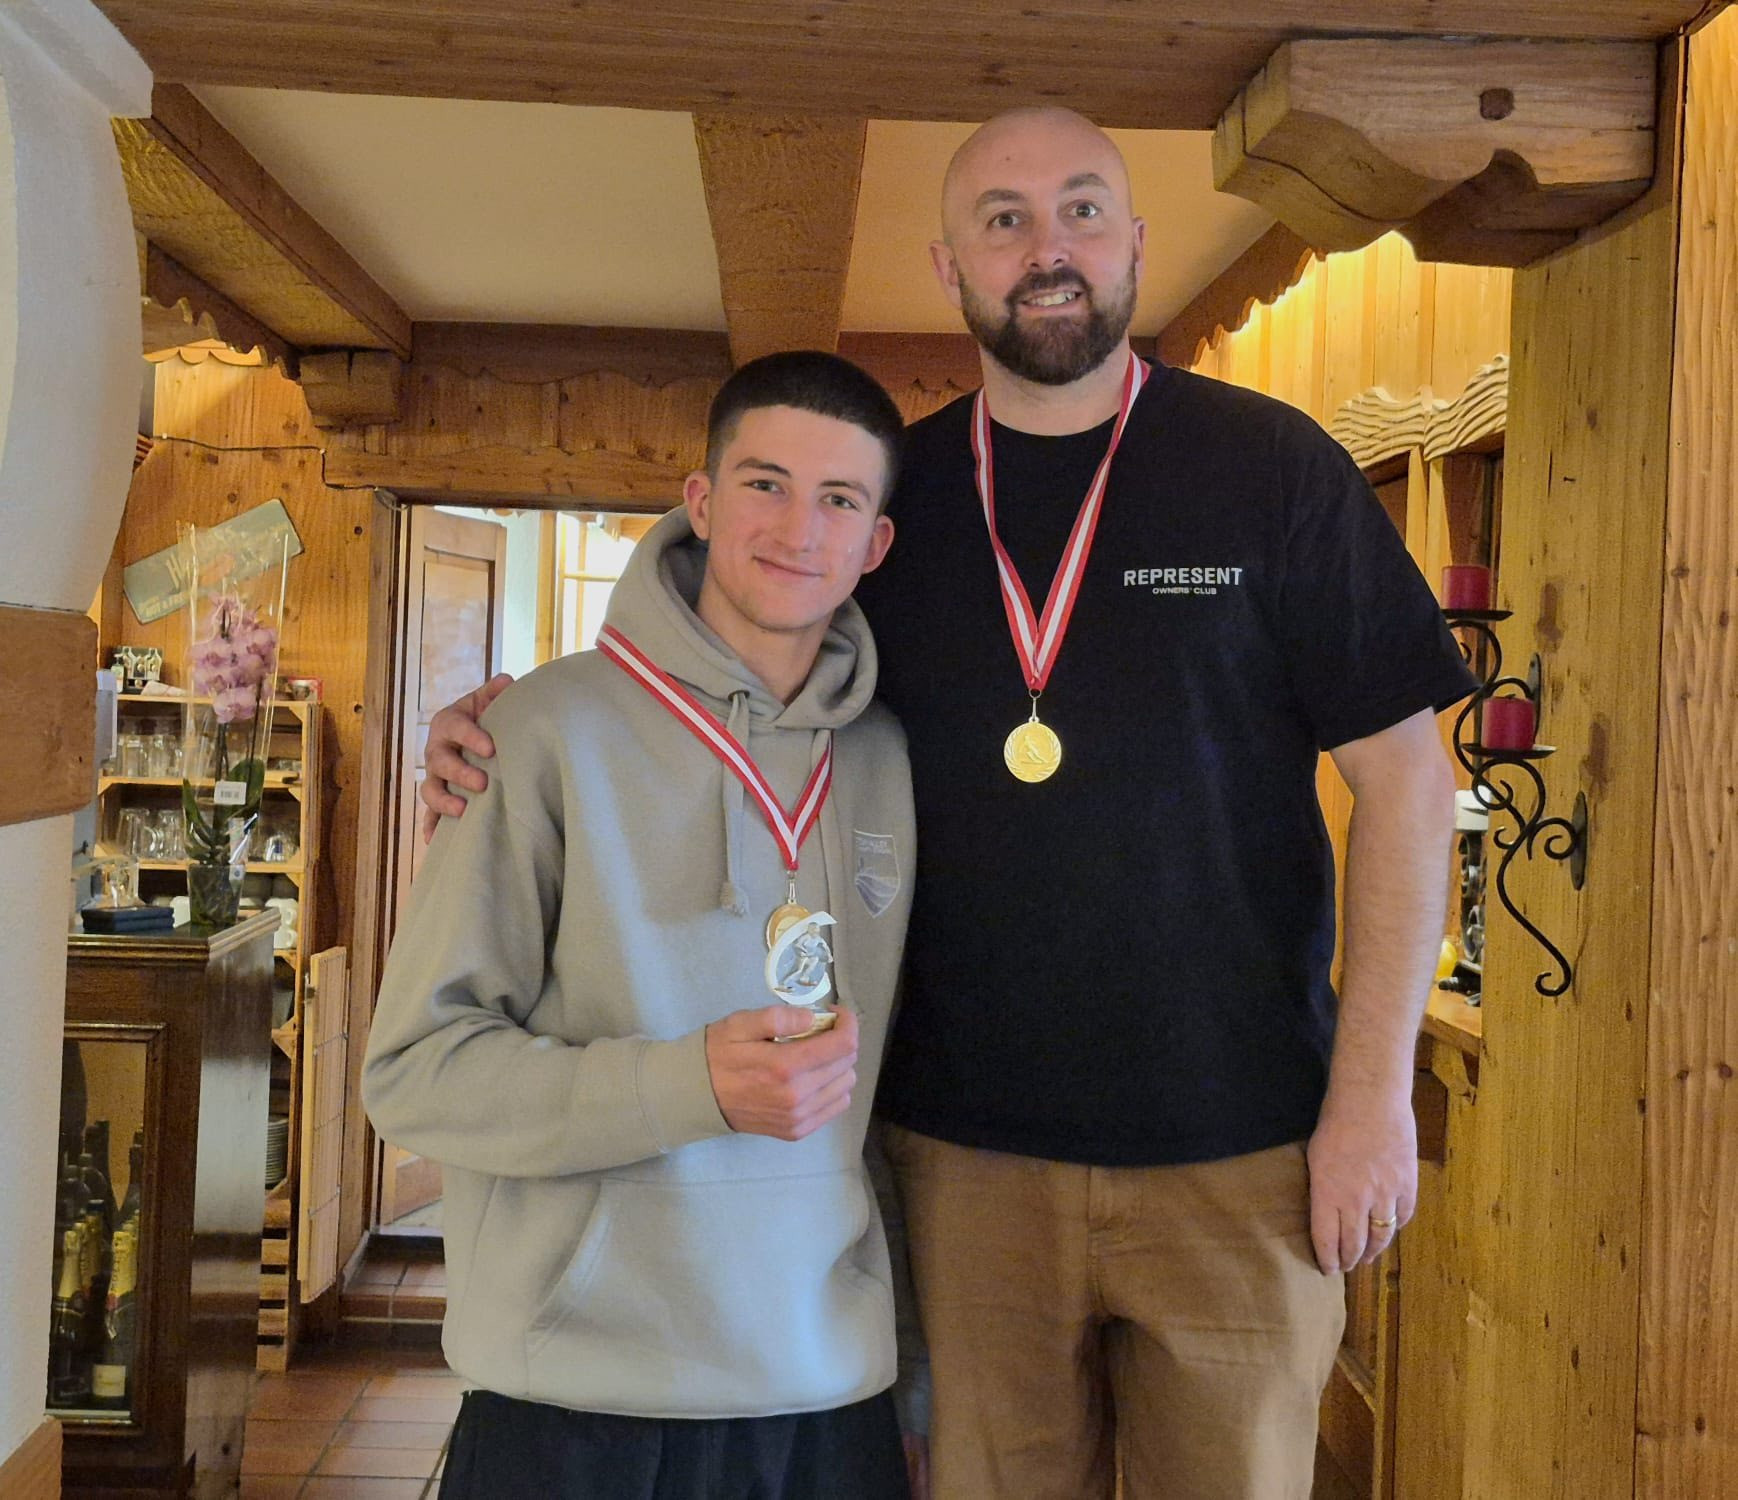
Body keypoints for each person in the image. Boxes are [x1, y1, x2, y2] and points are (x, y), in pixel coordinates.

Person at [420, 108, 1476, 1500]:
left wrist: (1372, 1101)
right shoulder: (890, 502)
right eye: (1002, 219)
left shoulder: (1271, 469)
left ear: (1133, 241)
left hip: (1243, 1155)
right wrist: (515, 722)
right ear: (948, 266)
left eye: (1081, 211)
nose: (1047, 249)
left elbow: (1407, 779)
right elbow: (733, 669)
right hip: (958, 1167)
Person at [365, 351, 921, 1500]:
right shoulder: (539, 731)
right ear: (700, 501)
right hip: (575, 1398)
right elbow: (414, 1076)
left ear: (875, 544)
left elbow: (894, 1101)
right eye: (764, 484)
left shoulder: (889, 758)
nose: (798, 529)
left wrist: (908, 1381)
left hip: (825, 1396)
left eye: (837, 499)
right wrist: (685, 1086)